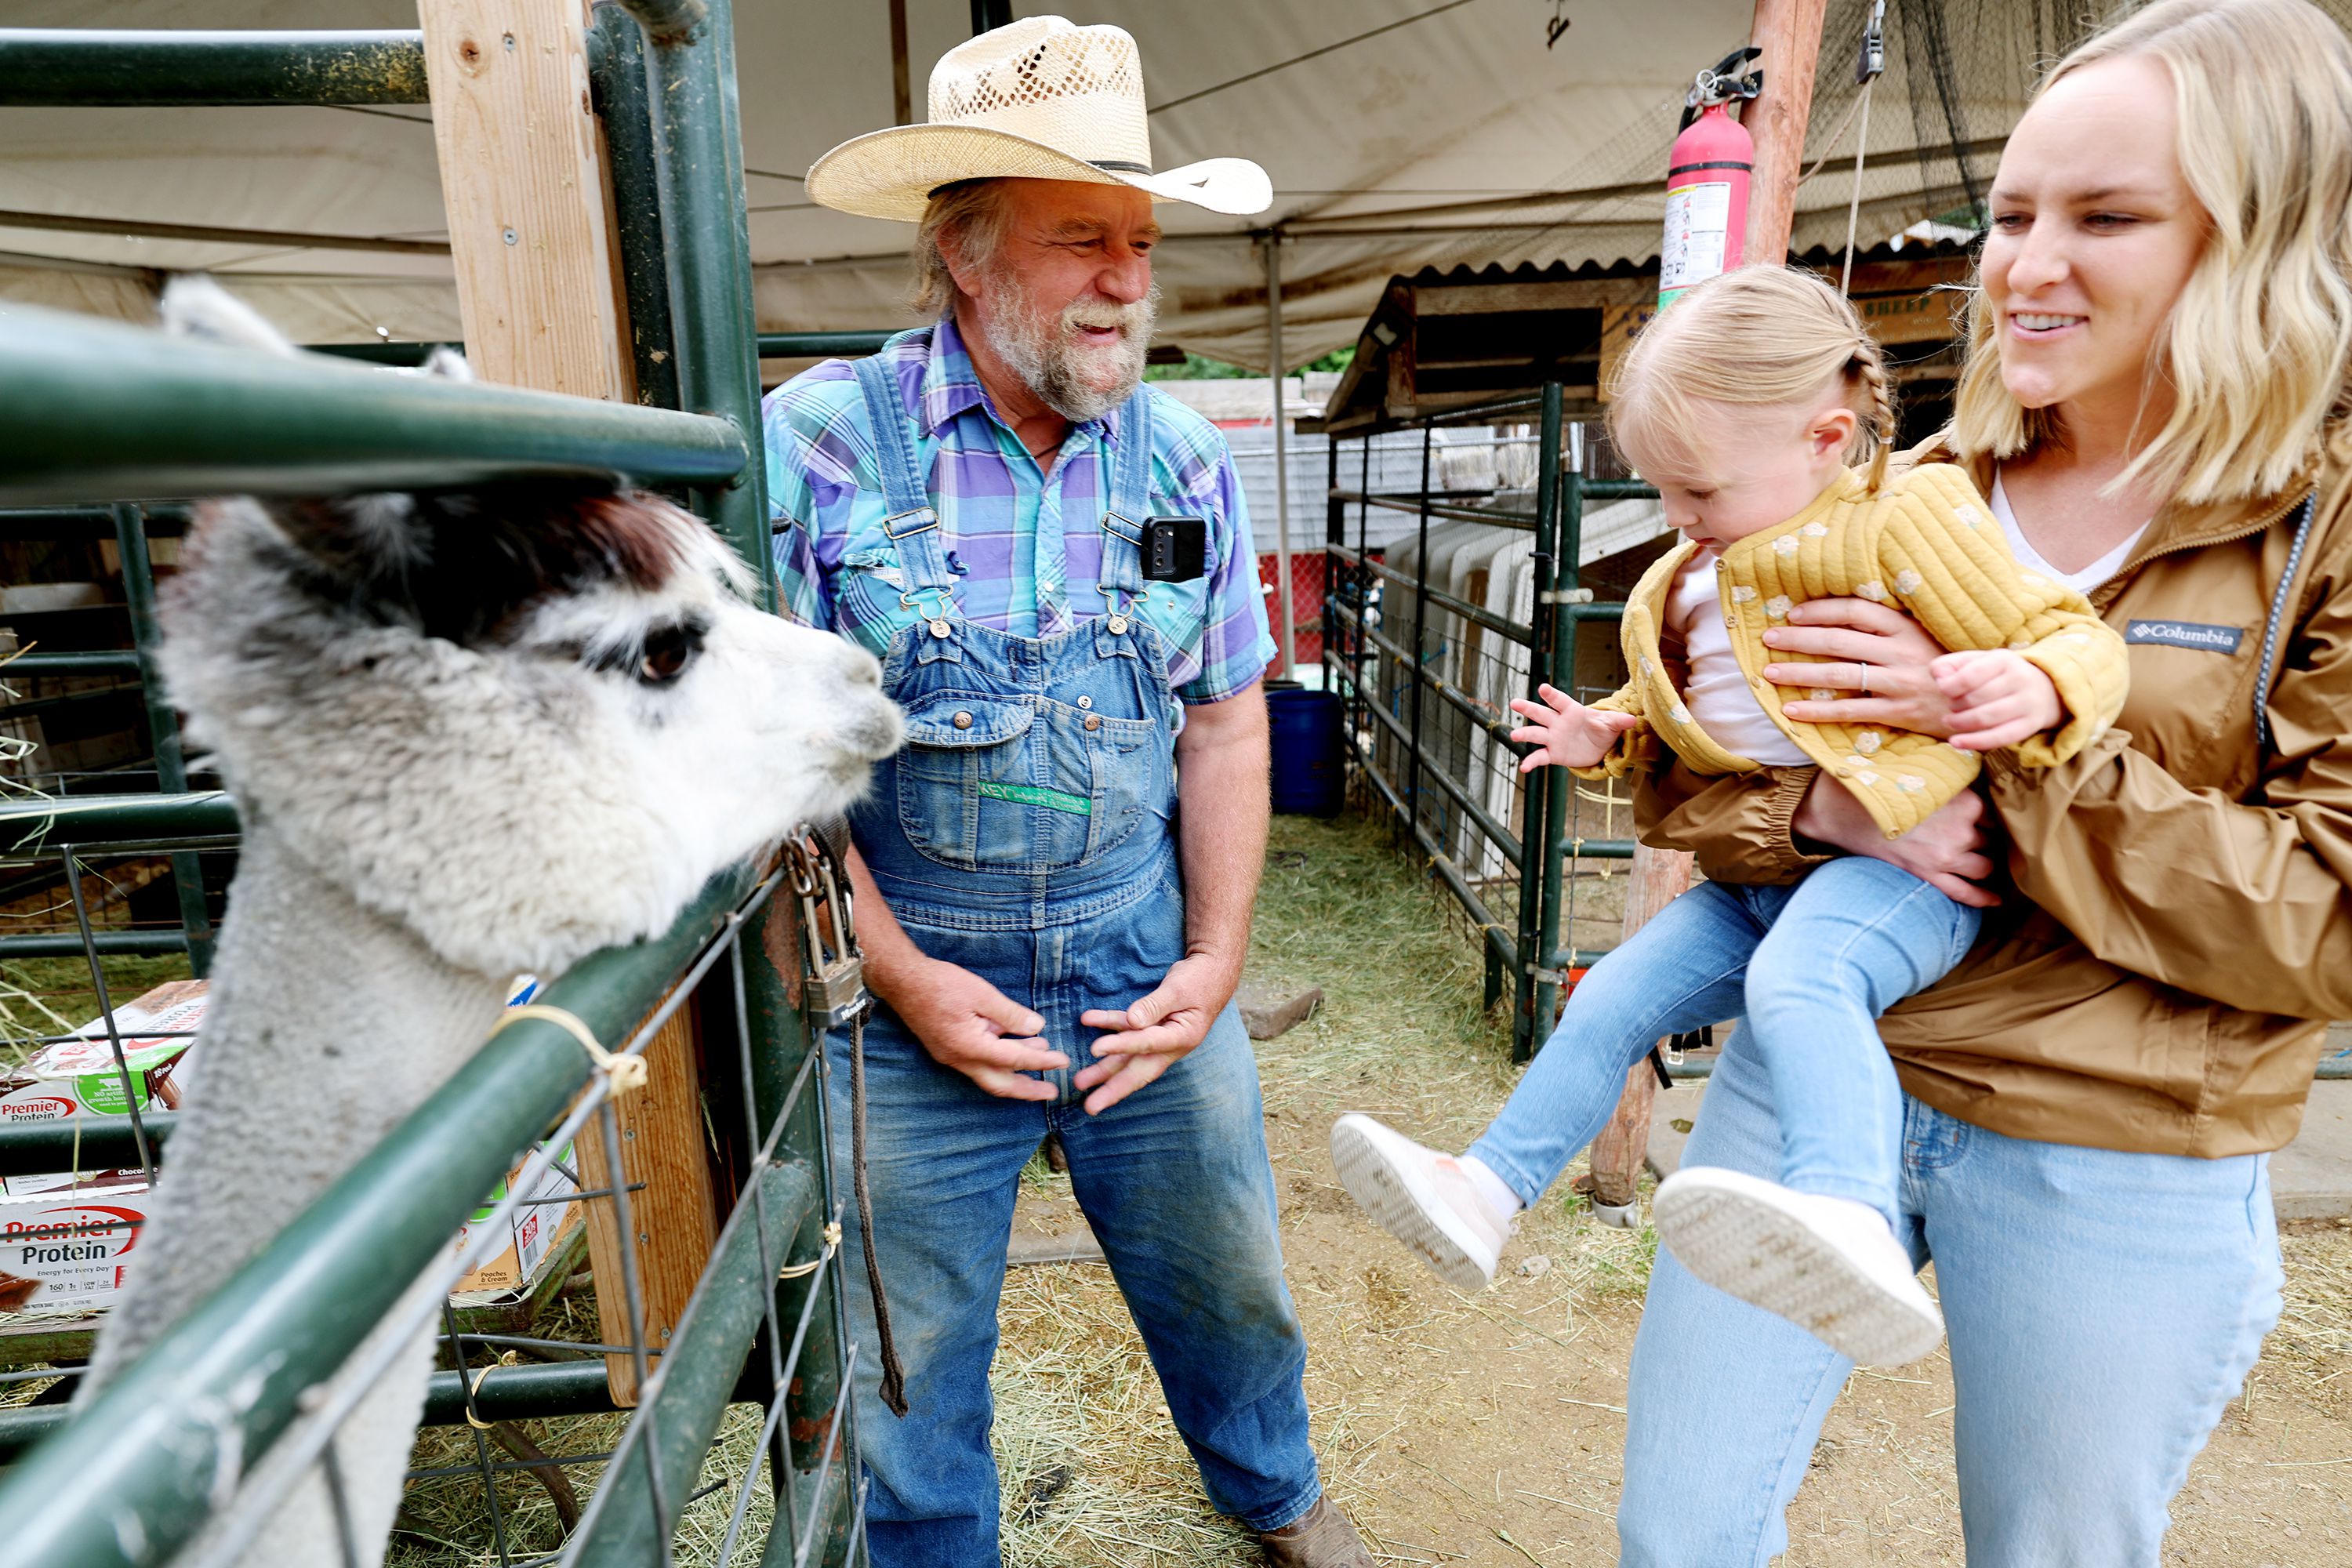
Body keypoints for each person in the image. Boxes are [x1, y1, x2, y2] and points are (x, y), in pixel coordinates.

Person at [1607, 2, 2352, 1563]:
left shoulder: (2317, 536)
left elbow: (2324, 920)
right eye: (2014, 214)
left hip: (2119, 1132)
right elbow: (1693, 778)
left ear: (2263, 236)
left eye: (2108, 216)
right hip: (1818, 1069)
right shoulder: (1906, 493)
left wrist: (2009, 756)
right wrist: (1808, 807)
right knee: (1676, 1534)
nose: (2027, 263)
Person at [768, 17, 1374, 1567]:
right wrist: (896, 975)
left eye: (1142, 241)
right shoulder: (820, 447)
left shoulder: (1182, 458)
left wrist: (1217, 961)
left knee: (1231, 1277)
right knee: (914, 1357)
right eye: (1081, 240)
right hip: (915, 993)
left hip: (1135, 969)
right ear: (967, 257)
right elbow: (777, 770)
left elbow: (1228, 715)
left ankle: (1276, 1494)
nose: (1126, 277)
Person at [1330, 267, 2128, 1368]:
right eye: (1663, 491)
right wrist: (1606, 732)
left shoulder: (1905, 518)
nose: (1675, 517)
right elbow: (1699, 701)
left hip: (1901, 869)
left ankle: (1849, 1217)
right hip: (1763, 872)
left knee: (1803, 983)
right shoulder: (1692, 566)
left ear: (1825, 436)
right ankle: (1487, 1189)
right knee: (1608, 995)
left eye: (1697, 492)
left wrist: (2039, 684)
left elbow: (2072, 630)